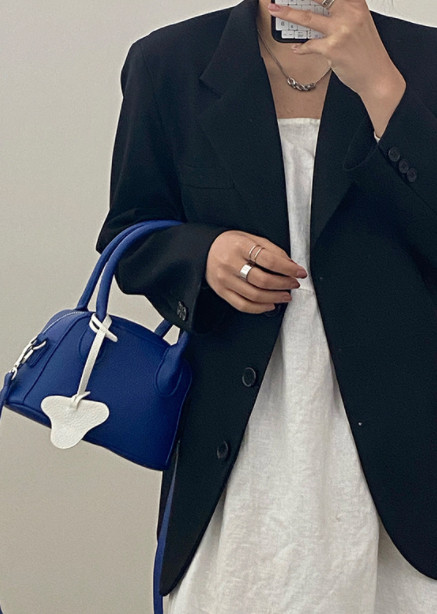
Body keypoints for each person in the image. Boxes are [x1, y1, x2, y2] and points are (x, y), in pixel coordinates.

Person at [96, 0, 437, 611]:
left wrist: (383, 87)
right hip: (238, 461)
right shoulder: (168, 64)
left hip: (405, 473)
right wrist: (203, 255)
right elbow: (130, 236)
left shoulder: (425, 61)